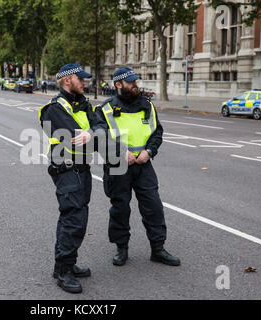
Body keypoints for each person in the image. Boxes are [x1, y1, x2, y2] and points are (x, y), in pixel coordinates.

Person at [95, 67, 180, 268]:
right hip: (118, 165)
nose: (135, 85)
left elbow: (157, 132)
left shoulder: (147, 106)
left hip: (143, 164)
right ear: (118, 85)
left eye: (136, 81)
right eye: (131, 82)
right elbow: (98, 137)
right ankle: (121, 249)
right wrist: (118, 152)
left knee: (154, 207)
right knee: (120, 208)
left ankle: (158, 249)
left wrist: (148, 152)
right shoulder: (105, 109)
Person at [39, 64, 107, 294]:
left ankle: (63, 265)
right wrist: (93, 134)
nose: (85, 82)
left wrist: (93, 132)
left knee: (74, 217)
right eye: (81, 79)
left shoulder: (83, 104)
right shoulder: (55, 109)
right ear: (67, 80)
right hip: (66, 170)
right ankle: (64, 271)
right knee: (74, 220)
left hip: (82, 169)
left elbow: (103, 127)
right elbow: (83, 137)